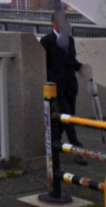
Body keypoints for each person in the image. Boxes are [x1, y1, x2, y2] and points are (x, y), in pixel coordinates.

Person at [40, 9, 87, 165]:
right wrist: (50, 81)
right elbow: (42, 65)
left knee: (65, 116)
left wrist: (82, 69)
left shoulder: (70, 40)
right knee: (68, 117)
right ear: (53, 23)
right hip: (56, 86)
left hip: (70, 85)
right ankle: (77, 148)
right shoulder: (47, 41)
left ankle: (55, 145)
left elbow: (71, 62)